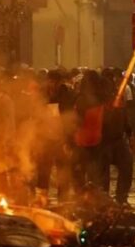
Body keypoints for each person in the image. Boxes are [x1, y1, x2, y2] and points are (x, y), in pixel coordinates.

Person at [33, 69, 76, 206]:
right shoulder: (43, 94)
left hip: (61, 138)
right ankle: (41, 198)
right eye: (49, 81)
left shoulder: (67, 94)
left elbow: (69, 117)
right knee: (43, 170)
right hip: (46, 138)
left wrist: (68, 139)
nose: (51, 84)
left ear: (59, 82)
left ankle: (63, 199)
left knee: (62, 169)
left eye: (53, 81)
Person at [100, 73, 135, 208]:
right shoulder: (98, 102)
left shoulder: (118, 99)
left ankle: (121, 197)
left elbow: (124, 117)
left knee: (127, 165)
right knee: (103, 172)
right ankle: (104, 198)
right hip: (103, 141)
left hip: (118, 140)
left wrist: (130, 133)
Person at [73, 70, 106, 191]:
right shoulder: (103, 97)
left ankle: (82, 198)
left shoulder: (82, 99)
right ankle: (95, 196)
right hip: (97, 138)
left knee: (79, 171)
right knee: (95, 172)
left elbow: (77, 121)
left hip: (82, 140)